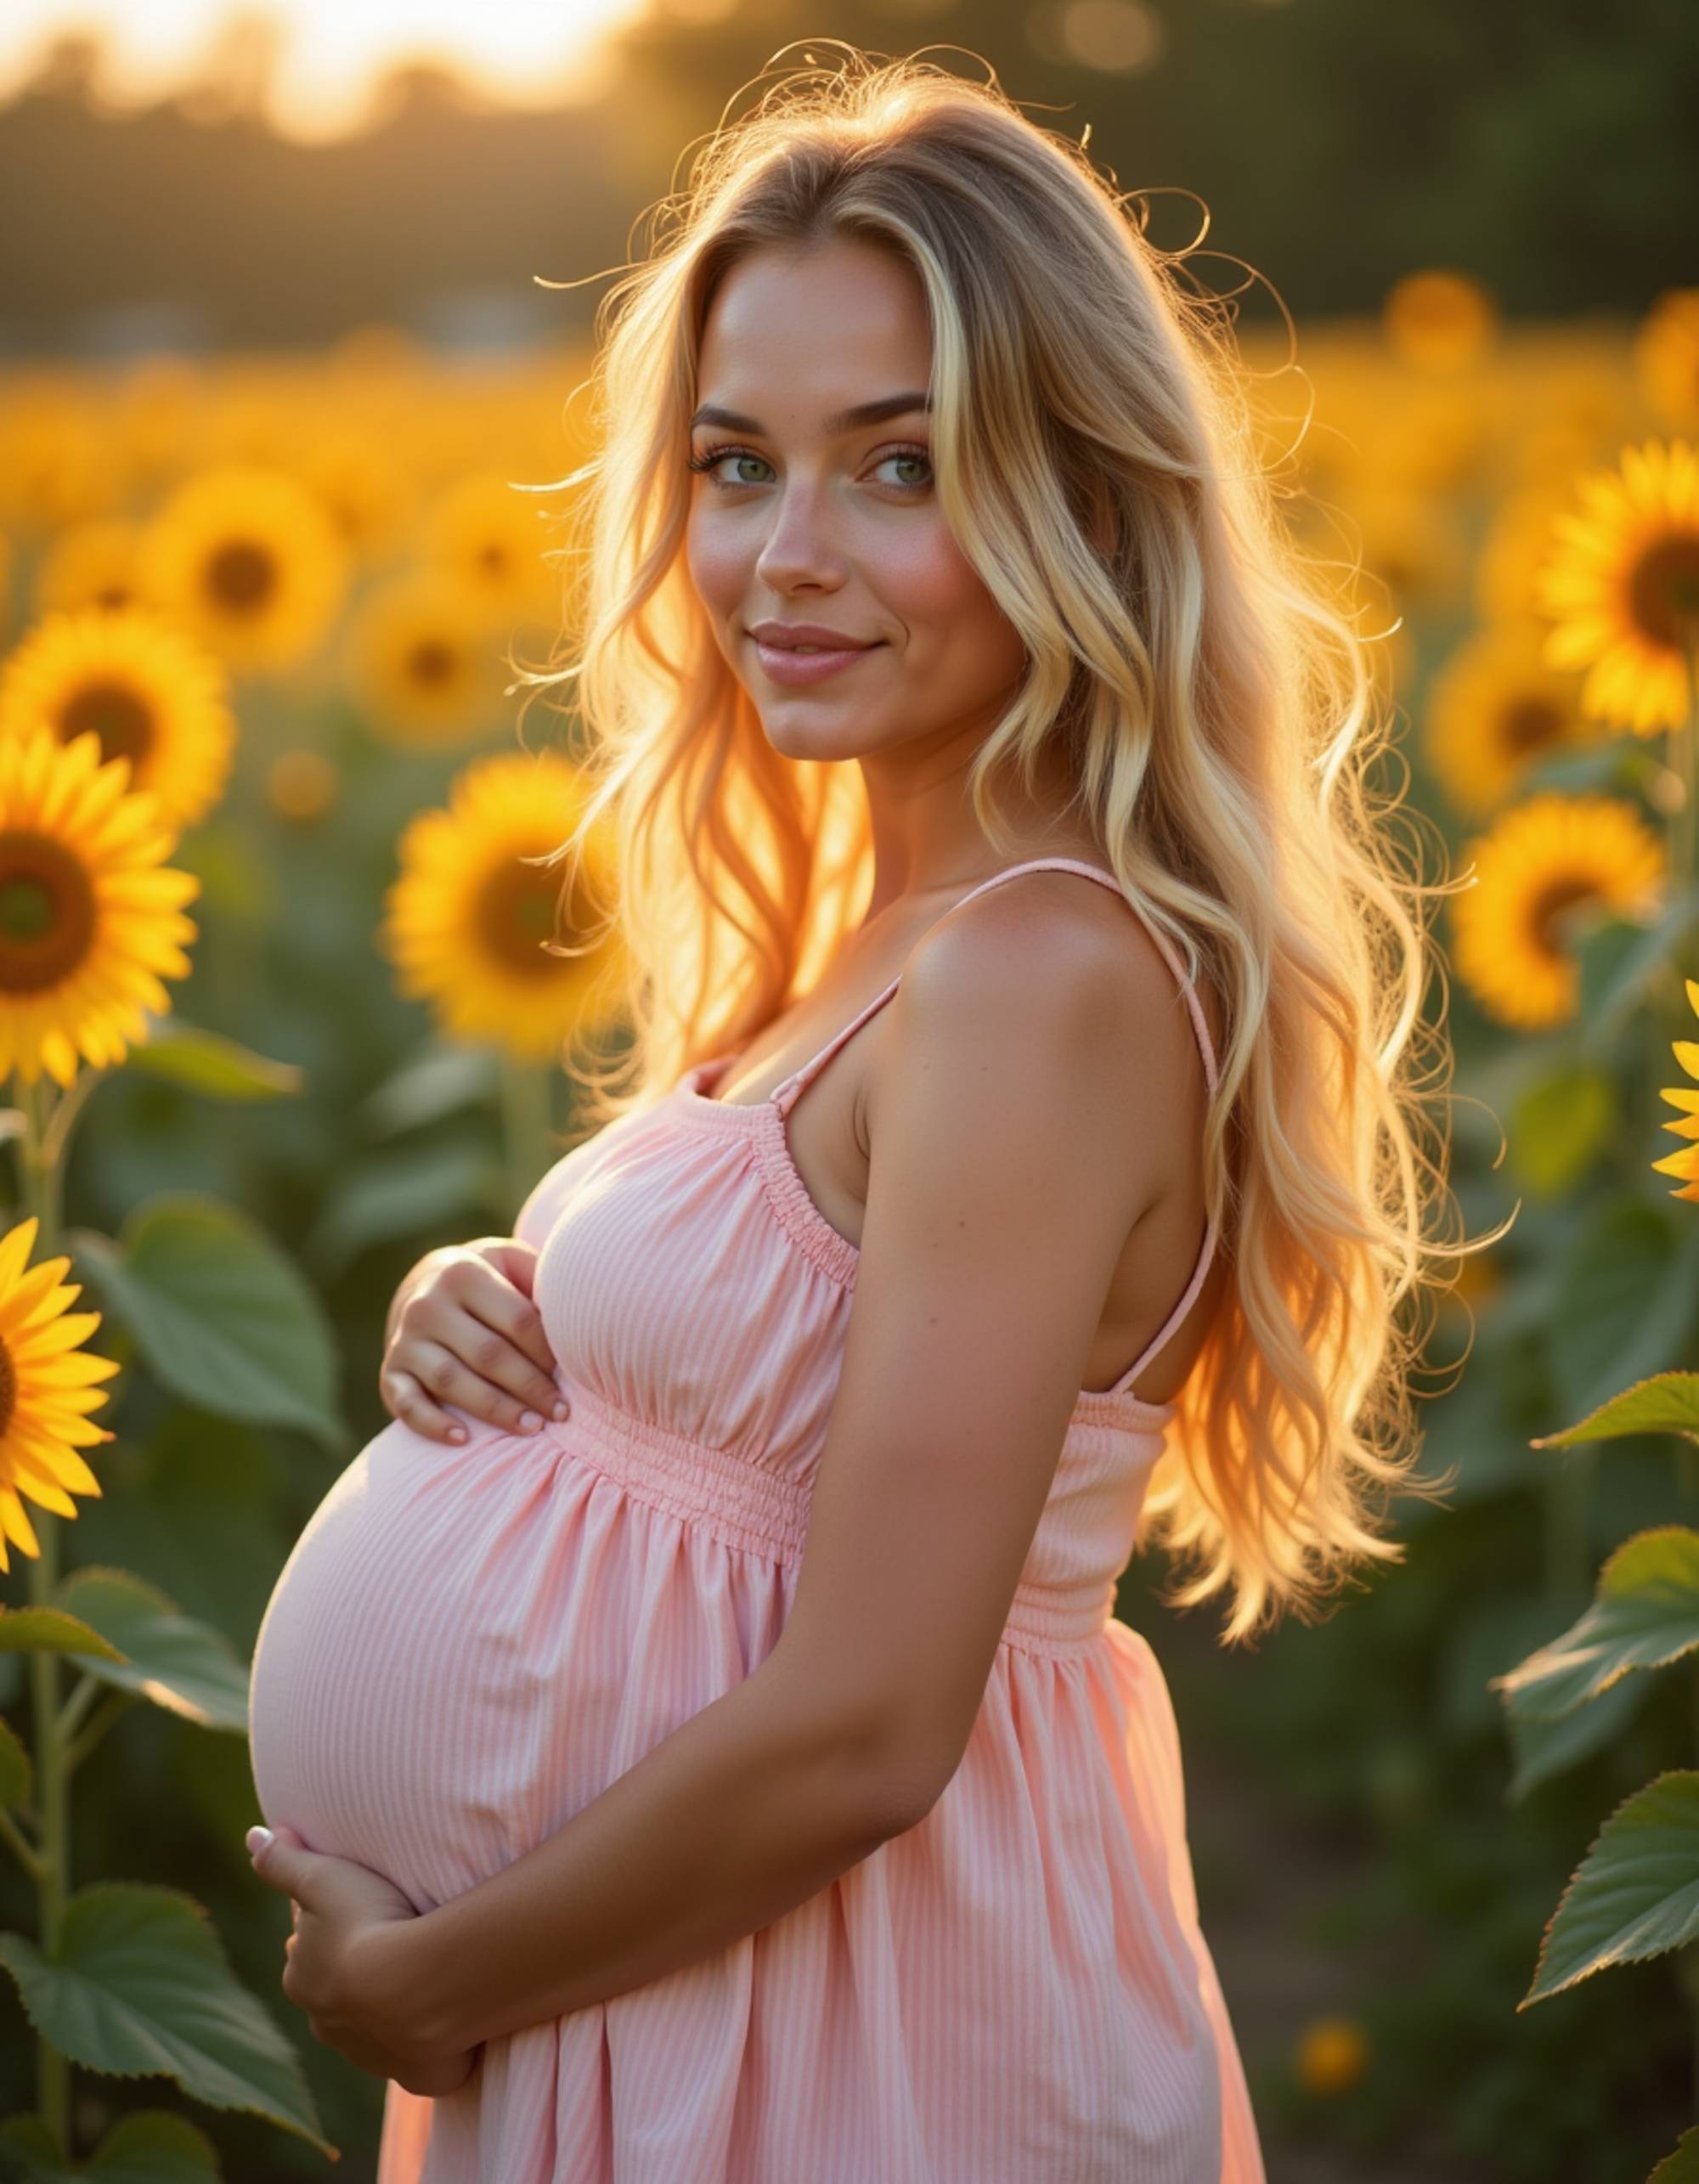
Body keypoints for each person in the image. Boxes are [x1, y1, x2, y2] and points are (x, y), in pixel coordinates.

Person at [247, 45, 1469, 2184]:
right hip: (690, 1994)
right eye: (737, 464)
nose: (785, 555)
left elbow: (874, 1727)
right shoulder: (886, 934)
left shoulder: (1038, 973)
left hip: (844, 2029)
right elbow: (771, 1382)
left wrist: (434, 1985)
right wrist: (503, 1319)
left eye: (898, 467)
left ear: (1084, 499)